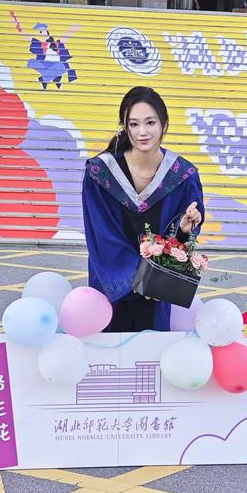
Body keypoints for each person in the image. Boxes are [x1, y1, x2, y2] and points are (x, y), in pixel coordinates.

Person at [82, 87, 204, 333]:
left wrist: (183, 229)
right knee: (108, 348)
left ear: (164, 124)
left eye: (150, 122)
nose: (142, 132)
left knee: (153, 349)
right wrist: (141, 280)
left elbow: (182, 239)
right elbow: (102, 236)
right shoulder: (100, 174)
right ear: (124, 127)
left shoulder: (183, 175)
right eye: (134, 124)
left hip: (156, 292)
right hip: (113, 286)